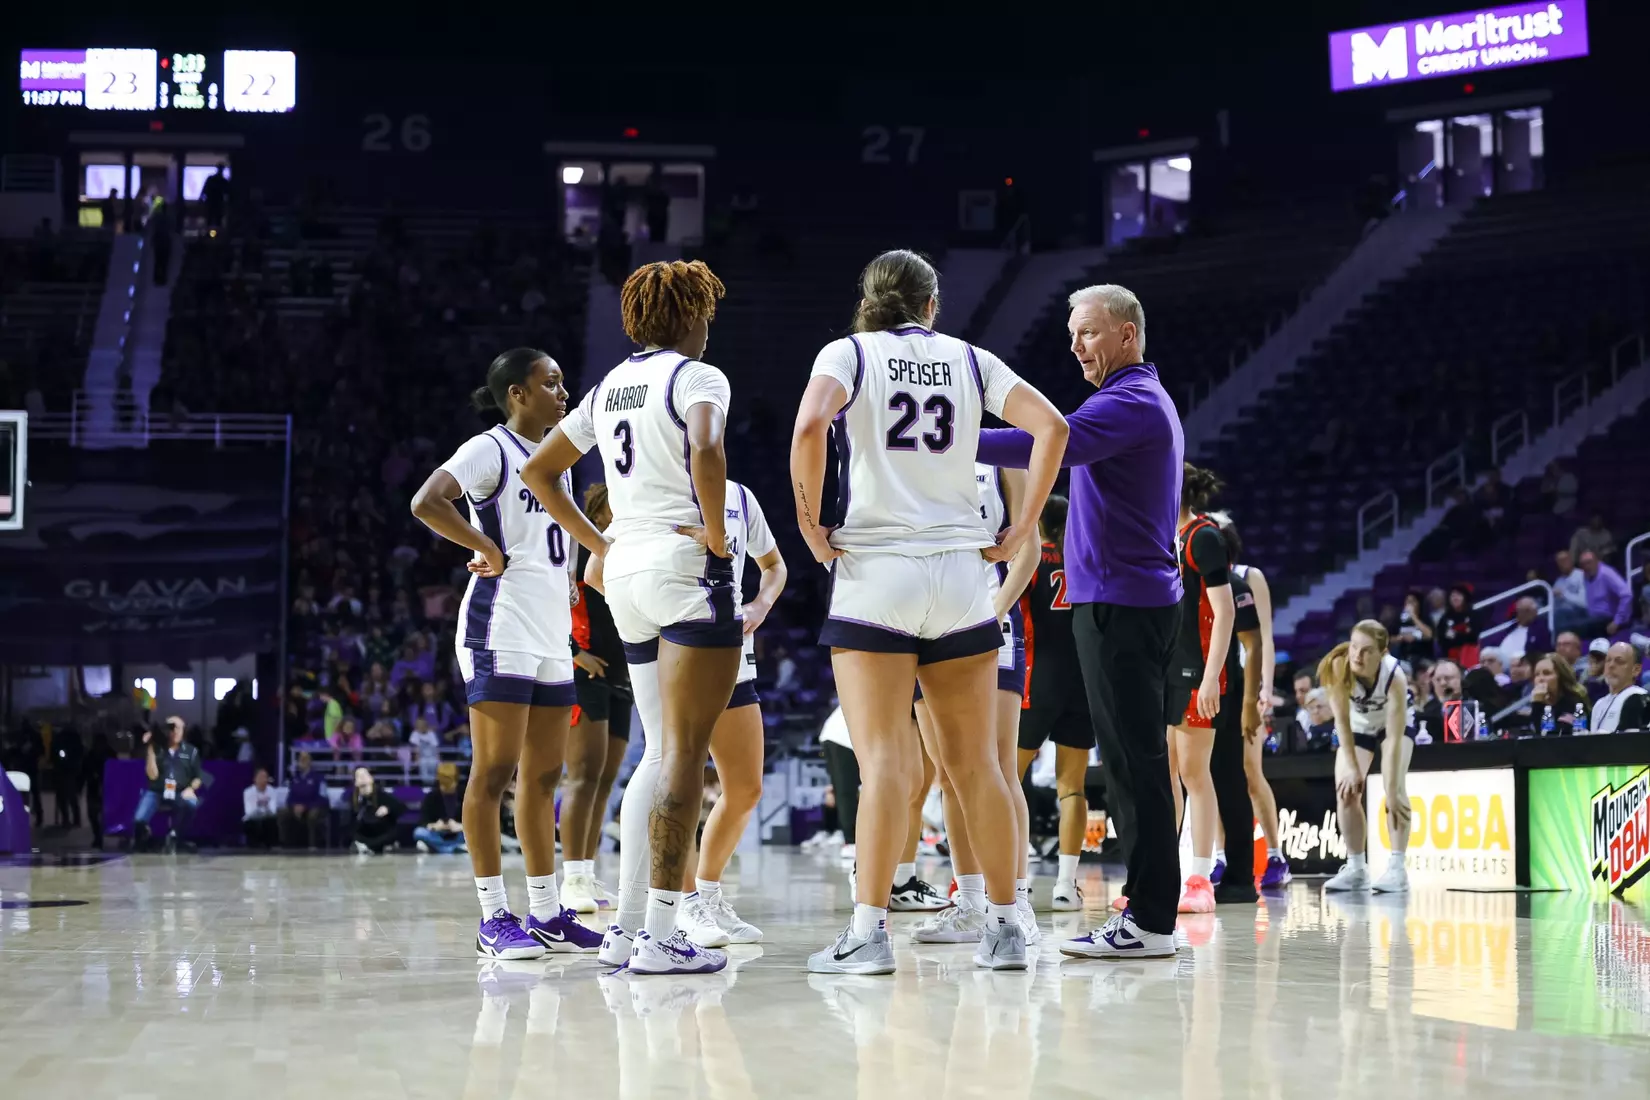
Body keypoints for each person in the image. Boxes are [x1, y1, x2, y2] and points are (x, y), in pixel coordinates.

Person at [792, 249, 1067, 974]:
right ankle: (1009, 929)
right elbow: (1053, 430)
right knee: (978, 766)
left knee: (885, 763)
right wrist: (1022, 527)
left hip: (878, 570)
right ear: (932, 305)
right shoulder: (973, 360)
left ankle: (869, 934)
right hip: (961, 575)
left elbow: (810, 425)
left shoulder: (848, 352)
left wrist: (810, 522)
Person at [522, 259, 742, 976]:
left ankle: (626, 932)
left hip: (627, 574)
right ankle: (663, 935)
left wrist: (602, 543)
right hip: (682, 567)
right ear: (688, 316)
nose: (711, 324)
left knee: (655, 752)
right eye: (705, 311)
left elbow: (539, 472)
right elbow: (708, 449)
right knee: (684, 753)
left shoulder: (608, 385)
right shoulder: (698, 377)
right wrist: (716, 538)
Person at [978, 283, 1184, 961]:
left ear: (1128, 334)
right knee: (1132, 762)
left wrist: (951, 442)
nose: (1075, 346)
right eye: (1072, 333)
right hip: (1127, 601)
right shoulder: (1132, 399)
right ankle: (1148, 914)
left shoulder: (1130, 401)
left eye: (1089, 333)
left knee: (1134, 765)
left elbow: (1048, 442)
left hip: (1123, 606)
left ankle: (1150, 920)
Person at [410, 346, 600, 960]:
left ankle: (546, 914)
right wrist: (481, 543)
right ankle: (493, 917)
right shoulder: (487, 449)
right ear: (517, 393)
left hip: (549, 631)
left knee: (544, 778)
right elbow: (426, 501)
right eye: (551, 383)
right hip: (498, 624)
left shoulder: (557, 462)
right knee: (493, 774)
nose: (563, 393)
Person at [911, 463, 1042, 948]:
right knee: (948, 773)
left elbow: (1028, 549)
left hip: (989, 622)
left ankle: (1017, 899)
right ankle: (969, 901)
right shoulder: (917, 448)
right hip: (927, 624)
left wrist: (995, 611)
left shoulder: (1002, 456)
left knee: (999, 767)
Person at [675, 480, 788, 947]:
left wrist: (760, 604)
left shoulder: (741, 496)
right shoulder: (661, 488)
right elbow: (601, 571)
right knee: (676, 778)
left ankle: (707, 892)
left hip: (733, 647)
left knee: (745, 786)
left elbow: (774, 566)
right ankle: (681, 904)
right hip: (678, 645)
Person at [1010, 495, 1097, 912]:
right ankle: (1066, 885)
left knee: (1009, 780)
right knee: (1072, 787)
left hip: (1037, 679)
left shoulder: (1031, 561)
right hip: (1082, 680)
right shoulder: (1085, 561)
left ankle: (1015, 882)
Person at [1164, 465, 1234, 915]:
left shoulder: (1204, 537)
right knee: (1165, 774)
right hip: (1166, 669)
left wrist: (1211, 677)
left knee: (1195, 774)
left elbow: (1224, 612)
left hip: (1196, 669)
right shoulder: (1164, 535)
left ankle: (1201, 878)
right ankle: (1165, 873)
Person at [1214, 513, 1291, 890]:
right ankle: (1219, 855)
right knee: (1214, 774)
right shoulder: (1199, 573)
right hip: (1216, 684)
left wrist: (1263, 689)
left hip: (1246, 682)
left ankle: (1276, 855)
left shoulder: (1249, 575)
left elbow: (1265, 638)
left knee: (1249, 771)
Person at [561, 483, 627, 914]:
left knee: (604, 781)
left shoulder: (632, 548)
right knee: (583, 778)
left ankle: (587, 870)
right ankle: (571, 880)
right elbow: (551, 603)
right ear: (598, 510)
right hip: (583, 673)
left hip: (623, 676)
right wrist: (575, 653)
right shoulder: (577, 546)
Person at [1321, 621, 1415, 894]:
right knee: (1346, 791)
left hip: (1391, 727)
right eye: (1354, 647)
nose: (1357, 656)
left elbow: (1394, 739)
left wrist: (1391, 784)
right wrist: (1351, 767)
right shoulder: (1339, 667)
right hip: (1357, 726)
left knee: (1394, 791)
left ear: (1383, 652)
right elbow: (1341, 722)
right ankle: (1356, 868)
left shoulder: (1395, 677)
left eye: (1366, 651)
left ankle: (1397, 869)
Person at [133, 717, 204, 853]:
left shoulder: (191, 751)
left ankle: (176, 836)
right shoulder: (158, 749)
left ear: (184, 730)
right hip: (157, 791)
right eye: (171, 728)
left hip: (180, 791)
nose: (175, 731)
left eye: (179, 728)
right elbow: (152, 775)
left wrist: (190, 789)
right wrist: (150, 748)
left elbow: (198, 777)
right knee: (139, 819)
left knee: (191, 803)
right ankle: (143, 840)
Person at [1505, 654, 1591, 734]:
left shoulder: (1574, 703)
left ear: (1560, 676)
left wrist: (1538, 704)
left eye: (1546, 673)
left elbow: (1549, 738)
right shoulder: (1543, 704)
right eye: (1537, 674)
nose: (1540, 679)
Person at [817, 704, 858, 859]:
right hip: (843, 737)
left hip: (833, 735)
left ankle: (848, 837)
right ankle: (851, 841)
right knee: (846, 791)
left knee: (842, 790)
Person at [1591, 643, 1649, 734]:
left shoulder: (1641, 699)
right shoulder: (1598, 704)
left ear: (1636, 670)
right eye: (1608, 660)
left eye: (1619, 661)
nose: (1611, 665)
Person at [1578, 551, 1633, 639]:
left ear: (1597, 561)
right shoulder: (1586, 576)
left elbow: (1627, 595)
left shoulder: (1607, 573)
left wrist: (1617, 621)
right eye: (1583, 564)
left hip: (1609, 619)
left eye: (1589, 563)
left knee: (1579, 628)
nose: (1586, 567)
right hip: (1595, 619)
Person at [415, 762, 467, 854]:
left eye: (450, 785)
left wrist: (462, 826)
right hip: (438, 833)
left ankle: (438, 848)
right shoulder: (431, 796)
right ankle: (453, 849)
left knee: (475, 834)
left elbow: (477, 821)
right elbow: (423, 821)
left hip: (459, 832)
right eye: (443, 785)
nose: (447, 788)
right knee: (418, 832)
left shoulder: (466, 795)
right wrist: (434, 826)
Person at [350, 768, 406, 854]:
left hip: (382, 832)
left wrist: (388, 809)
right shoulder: (355, 799)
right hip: (365, 834)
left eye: (365, 775)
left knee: (395, 833)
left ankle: (371, 847)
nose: (363, 777)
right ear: (355, 782)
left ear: (371, 778)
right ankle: (372, 846)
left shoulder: (381, 795)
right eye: (359, 776)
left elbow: (401, 807)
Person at [280, 751, 329, 849]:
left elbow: (323, 798)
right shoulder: (295, 778)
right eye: (301, 759)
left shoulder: (319, 778)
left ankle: (313, 845)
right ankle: (285, 844)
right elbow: (290, 797)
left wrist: (306, 806)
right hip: (297, 807)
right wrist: (294, 806)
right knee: (282, 813)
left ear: (310, 761)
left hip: (314, 806)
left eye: (305, 759)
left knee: (313, 815)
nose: (302, 761)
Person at [1498, 597, 1552, 663]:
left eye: (1532, 610)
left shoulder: (1541, 629)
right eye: (1525, 610)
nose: (1530, 613)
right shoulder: (1510, 629)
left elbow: (1545, 652)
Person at [1435, 584, 1479, 664]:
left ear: (1464, 597)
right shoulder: (1445, 617)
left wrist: (1454, 636)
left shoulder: (1473, 614)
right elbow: (1441, 639)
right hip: (1449, 657)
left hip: (1469, 655)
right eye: (1453, 595)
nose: (1455, 598)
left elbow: (1473, 636)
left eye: (1458, 595)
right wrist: (1463, 634)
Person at [242, 767, 282, 849]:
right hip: (252, 818)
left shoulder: (272, 791)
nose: (263, 780)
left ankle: (272, 845)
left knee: (271, 821)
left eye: (265, 777)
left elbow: (273, 810)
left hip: (267, 817)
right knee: (250, 823)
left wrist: (262, 810)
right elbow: (249, 811)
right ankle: (253, 846)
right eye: (260, 777)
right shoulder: (248, 792)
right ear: (255, 779)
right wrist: (263, 809)